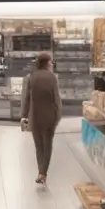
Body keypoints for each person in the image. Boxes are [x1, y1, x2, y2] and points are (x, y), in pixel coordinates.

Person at [22, 52, 63, 185]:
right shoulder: (52, 78)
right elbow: (57, 99)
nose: (52, 64)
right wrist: (58, 115)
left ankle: (40, 172)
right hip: (50, 115)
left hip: (35, 116)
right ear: (47, 63)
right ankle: (43, 173)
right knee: (48, 144)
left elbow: (26, 99)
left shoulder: (30, 77)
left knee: (39, 145)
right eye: (51, 62)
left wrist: (23, 115)